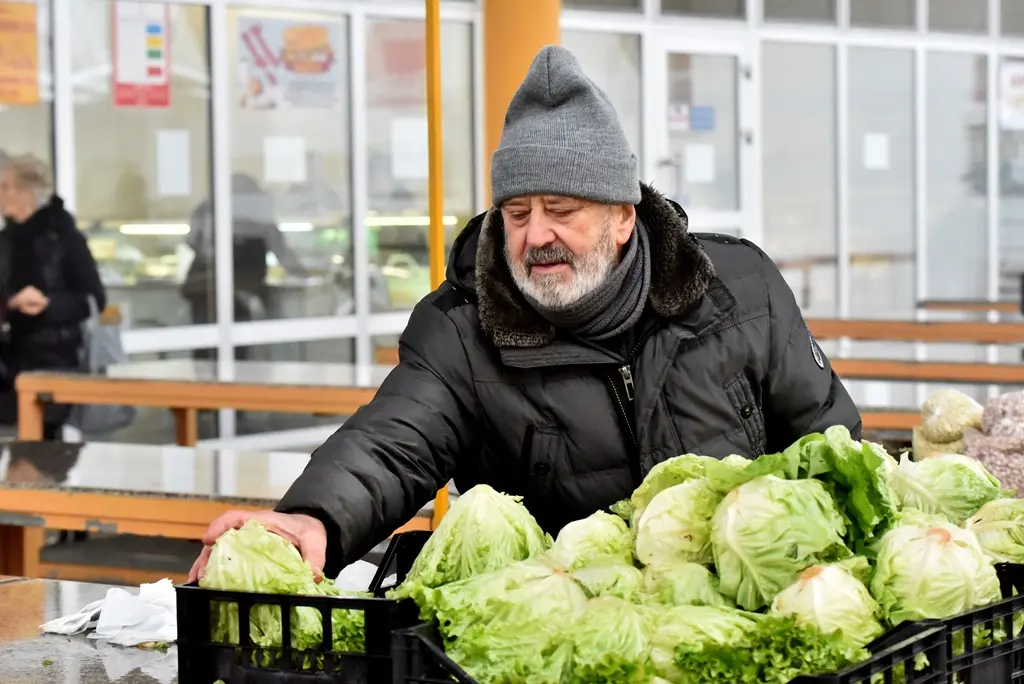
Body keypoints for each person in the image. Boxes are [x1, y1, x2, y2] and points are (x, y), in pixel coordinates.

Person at [189, 46, 861, 582]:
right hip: (557, 640)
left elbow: (832, 447)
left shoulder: (739, 291)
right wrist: (315, 519)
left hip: (742, 613)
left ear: (623, 218)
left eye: (562, 211)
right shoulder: (461, 329)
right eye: (517, 213)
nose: (535, 235)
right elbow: (391, 444)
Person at [0, 154, 106, 439]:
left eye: (5, 187)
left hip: (56, 359)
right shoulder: (4, 242)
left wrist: (49, 305)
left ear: (27, 193)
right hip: (10, 362)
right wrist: (11, 302)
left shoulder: (64, 237)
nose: (0, 195)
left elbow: (93, 299)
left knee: (40, 454)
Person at [181, 173, 307, 358]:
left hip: (203, 288)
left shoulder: (206, 208)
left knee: (204, 348)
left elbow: (192, 242)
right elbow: (281, 250)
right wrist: (303, 273)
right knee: (236, 349)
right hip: (239, 291)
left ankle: (205, 383)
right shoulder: (257, 216)